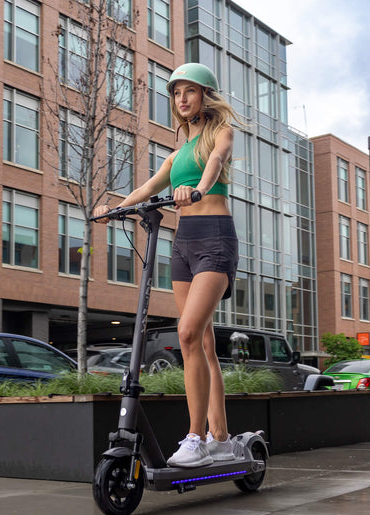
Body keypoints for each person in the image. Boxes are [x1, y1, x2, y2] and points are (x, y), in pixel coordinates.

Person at [93, 62, 239, 467]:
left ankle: (195, 438)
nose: (182, 99)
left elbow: (214, 166)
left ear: (205, 96)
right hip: (184, 244)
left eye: (189, 91)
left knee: (188, 333)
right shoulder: (174, 156)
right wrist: (113, 209)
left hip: (215, 237)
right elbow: (146, 188)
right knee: (203, 343)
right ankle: (221, 438)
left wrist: (198, 189)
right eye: (177, 93)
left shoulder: (219, 135)